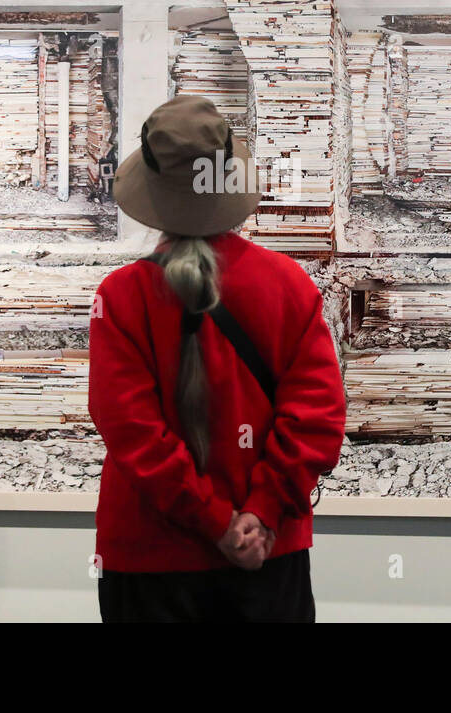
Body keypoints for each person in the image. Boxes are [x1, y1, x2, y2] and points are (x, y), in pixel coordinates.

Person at [87, 94, 347, 622]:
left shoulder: (121, 297)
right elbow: (318, 417)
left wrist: (213, 521)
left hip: (150, 562)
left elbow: (133, 432)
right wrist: (262, 513)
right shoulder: (288, 286)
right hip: (268, 559)